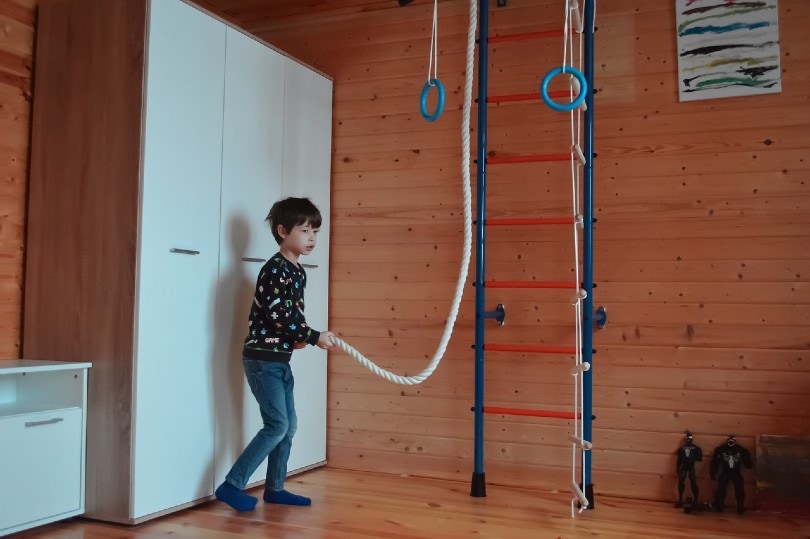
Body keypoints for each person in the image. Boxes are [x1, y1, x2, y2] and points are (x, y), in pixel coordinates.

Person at [215, 197, 335, 512]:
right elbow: (279, 313)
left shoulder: (297, 271)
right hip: (261, 360)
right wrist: (310, 336)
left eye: (315, 232)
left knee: (288, 425)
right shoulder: (275, 269)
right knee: (276, 424)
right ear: (283, 231)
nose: (312, 238)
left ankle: (275, 488)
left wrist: (296, 339)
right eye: (305, 230)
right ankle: (232, 485)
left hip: (279, 360)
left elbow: (287, 316)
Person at [710, 435, 753, 514]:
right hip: (726, 471)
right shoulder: (722, 449)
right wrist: (713, 472)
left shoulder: (740, 450)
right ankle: (719, 505)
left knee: (739, 489)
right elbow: (715, 462)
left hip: (735, 471)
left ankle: (740, 507)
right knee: (721, 489)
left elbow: (748, 465)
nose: (731, 442)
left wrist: (748, 461)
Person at [675, 431, 703, 508]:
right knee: (682, 482)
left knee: (692, 482)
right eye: (688, 438)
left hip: (688, 466)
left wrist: (677, 467)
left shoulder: (684, 448)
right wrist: (677, 467)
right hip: (686, 466)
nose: (688, 440)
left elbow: (699, 458)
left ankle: (695, 500)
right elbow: (679, 459)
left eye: (689, 438)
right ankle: (681, 500)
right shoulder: (693, 448)